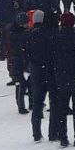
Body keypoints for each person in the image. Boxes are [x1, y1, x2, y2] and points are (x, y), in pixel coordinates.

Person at [51, 12, 75, 147]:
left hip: (61, 77)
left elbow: (52, 58)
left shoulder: (55, 39)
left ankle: (63, 137)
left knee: (62, 109)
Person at [22, 11, 57, 141]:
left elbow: (25, 54)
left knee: (37, 103)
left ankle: (36, 133)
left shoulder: (29, 35)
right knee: (54, 103)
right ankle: (53, 132)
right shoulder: (51, 34)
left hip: (36, 72)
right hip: (51, 71)